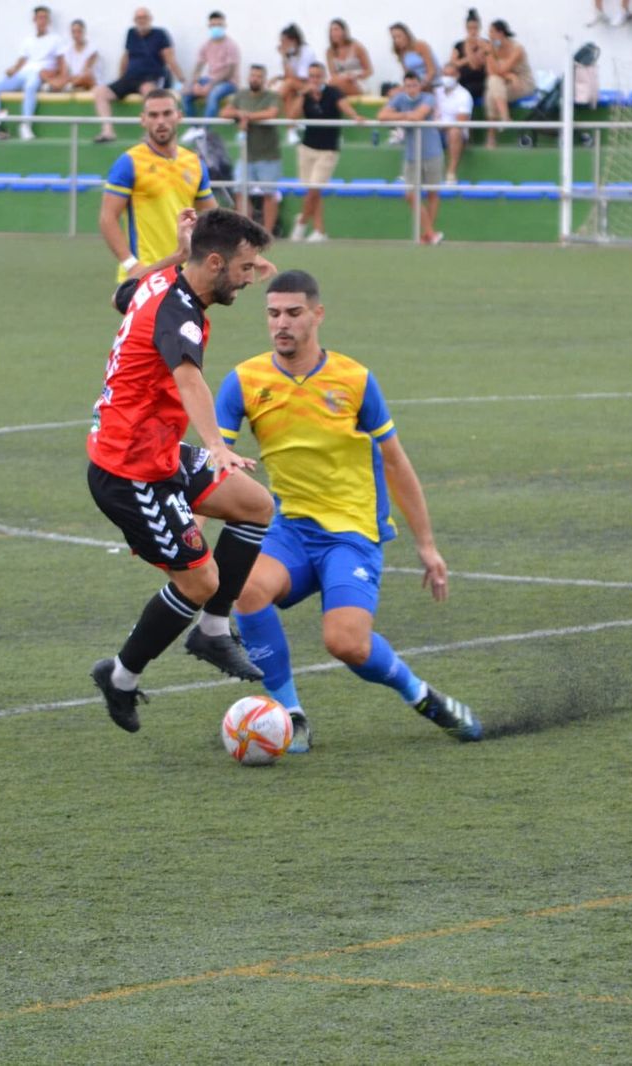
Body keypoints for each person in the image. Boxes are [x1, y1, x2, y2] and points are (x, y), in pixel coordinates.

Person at [220, 270, 484, 752]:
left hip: (351, 535)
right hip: (289, 532)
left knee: (346, 644)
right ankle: (291, 716)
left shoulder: (355, 379)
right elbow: (212, 467)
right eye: (274, 313)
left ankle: (422, 696)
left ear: (317, 315)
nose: (283, 324)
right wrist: (186, 535)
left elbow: (396, 461)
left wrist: (427, 545)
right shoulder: (243, 381)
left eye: (294, 313)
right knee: (245, 588)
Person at [87, 210, 278, 733]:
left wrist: (179, 250)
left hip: (158, 450)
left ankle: (214, 630)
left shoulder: (164, 279)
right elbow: (189, 378)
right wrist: (216, 446)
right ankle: (121, 678)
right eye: (242, 267)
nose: (247, 277)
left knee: (255, 506)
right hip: (129, 470)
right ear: (213, 262)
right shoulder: (180, 312)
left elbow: (119, 295)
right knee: (199, 581)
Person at [101, 89, 217, 283]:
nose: (160, 121)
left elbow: (214, 218)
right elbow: (107, 218)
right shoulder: (129, 162)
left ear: (179, 116)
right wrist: (131, 264)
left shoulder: (194, 163)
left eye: (167, 113)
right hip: (146, 274)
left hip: (185, 276)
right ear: (143, 120)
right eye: (153, 115)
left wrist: (248, 254)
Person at [289, 62, 365, 243]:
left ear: (323, 77)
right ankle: (319, 230)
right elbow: (292, 117)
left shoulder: (333, 92)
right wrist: (302, 95)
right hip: (307, 147)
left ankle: (300, 223)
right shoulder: (305, 95)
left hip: (328, 150)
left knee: (315, 189)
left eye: (318, 76)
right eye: (311, 76)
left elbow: (344, 106)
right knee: (311, 191)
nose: (315, 80)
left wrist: (355, 116)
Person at [93, 8, 181, 143]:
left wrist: (182, 80)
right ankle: (108, 131)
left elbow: (169, 57)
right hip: (130, 77)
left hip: (151, 76)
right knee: (100, 92)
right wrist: (120, 77)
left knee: (148, 91)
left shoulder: (160, 34)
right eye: (138, 18)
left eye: (144, 17)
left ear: (150, 18)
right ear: (135, 20)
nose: (141, 20)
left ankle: (149, 133)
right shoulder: (131, 34)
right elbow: (126, 56)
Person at [0, 5, 66, 142]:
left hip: (39, 73)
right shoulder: (28, 40)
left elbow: (61, 62)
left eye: (45, 18)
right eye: (40, 17)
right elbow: (21, 60)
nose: (42, 20)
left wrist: (60, 79)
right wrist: (12, 70)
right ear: (34, 19)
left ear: (49, 21)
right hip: (24, 73)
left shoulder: (56, 39)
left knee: (31, 86)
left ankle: (26, 125)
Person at [380, 71, 445, 245]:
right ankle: (431, 233)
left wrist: (405, 116)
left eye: (415, 85)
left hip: (432, 152)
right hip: (411, 155)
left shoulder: (428, 98)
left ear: (420, 85)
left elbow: (419, 116)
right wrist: (404, 115)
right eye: (408, 85)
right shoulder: (400, 99)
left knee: (433, 193)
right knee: (410, 194)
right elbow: (382, 116)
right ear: (404, 86)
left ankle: (427, 235)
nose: (412, 89)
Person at [221, 64, 281, 233]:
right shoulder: (241, 95)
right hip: (246, 156)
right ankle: (246, 232)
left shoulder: (271, 96)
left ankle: (268, 233)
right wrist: (240, 114)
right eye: (252, 75)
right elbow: (225, 112)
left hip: (268, 155)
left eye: (259, 76)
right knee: (240, 192)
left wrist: (247, 117)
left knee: (269, 194)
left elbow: (272, 113)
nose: (255, 79)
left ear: (264, 79)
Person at [482, 20, 534, 150]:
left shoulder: (517, 49)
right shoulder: (492, 49)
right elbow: (491, 72)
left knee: (492, 91)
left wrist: (509, 75)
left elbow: (502, 69)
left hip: (522, 83)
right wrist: (509, 76)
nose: (489, 35)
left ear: (501, 33)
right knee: (492, 86)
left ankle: (491, 137)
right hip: (504, 82)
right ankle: (505, 117)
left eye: (492, 32)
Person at [184, 11, 238, 120]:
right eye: (213, 25)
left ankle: (204, 130)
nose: (216, 28)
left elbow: (230, 71)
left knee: (213, 94)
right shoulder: (206, 45)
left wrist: (211, 85)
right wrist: (195, 83)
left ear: (224, 26)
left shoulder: (231, 45)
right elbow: (198, 66)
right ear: (209, 26)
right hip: (210, 80)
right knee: (186, 93)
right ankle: (194, 129)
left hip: (229, 83)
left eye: (219, 25)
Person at [434, 62, 474, 185]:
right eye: (445, 74)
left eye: (451, 75)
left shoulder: (464, 95)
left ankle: (451, 174)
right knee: (419, 130)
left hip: (455, 133)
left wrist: (441, 126)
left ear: (457, 76)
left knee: (455, 132)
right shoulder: (436, 92)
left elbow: (460, 122)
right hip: (436, 130)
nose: (447, 78)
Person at [274, 23, 321, 119]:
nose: (282, 44)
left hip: (311, 85)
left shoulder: (307, 51)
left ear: (294, 41)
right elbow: (288, 76)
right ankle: (291, 128)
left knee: (289, 84)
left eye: (284, 41)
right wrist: (285, 58)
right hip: (297, 85)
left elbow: (300, 78)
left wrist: (284, 56)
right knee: (289, 93)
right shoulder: (289, 53)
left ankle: (270, 103)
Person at [42, 18, 99, 91]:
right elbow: (65, 71)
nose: (76, 35)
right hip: (72, 79)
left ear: (84, 32)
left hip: (87, 81)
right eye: (74, 32)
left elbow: (85, 71)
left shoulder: (92, 49)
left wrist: (68, 79)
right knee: (43, 72)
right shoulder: (67, 50)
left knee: (87, 76)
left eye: (79, 31)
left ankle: (59, 86)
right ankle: (67, 86)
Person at [326, 18, 372, 97]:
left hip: (358, 80)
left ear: (344, 31)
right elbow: (333, 74)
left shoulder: (356, 46)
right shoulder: (330, 52)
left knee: (337, 84)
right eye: (331, 31)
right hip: (340, 80)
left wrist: (356, 76)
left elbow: (369, 70)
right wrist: (343, 77)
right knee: (331, 83)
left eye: (336, 30)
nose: (333, 33)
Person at [388, 23, 439, 94]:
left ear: (406, 35)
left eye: (399, 36)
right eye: (394, 38)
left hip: (430, 83)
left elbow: (432, 71)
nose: (397, 40)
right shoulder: (401, 52)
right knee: (392, 93)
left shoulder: (421, 45)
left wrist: (421, 85)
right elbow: (407, 74)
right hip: (414, 84)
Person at [448, 9, 486, 104]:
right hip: (462, 80)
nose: (472, 31)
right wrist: (468, 57)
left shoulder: (484, 44)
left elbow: (475, 65)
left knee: (467, 91)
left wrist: (468, 49)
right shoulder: (458, 45)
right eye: (470, 28)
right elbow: (453, 64)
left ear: (479, 28)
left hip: (479, 81)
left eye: (475, 28)